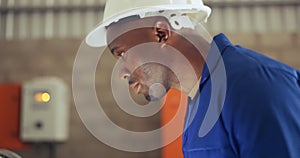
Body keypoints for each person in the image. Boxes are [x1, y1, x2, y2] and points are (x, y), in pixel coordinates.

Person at [85, 0, 300, 157]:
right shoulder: (198, 103)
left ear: (161, 33)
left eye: (122, 53)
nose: (122, 72)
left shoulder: (252, 85)